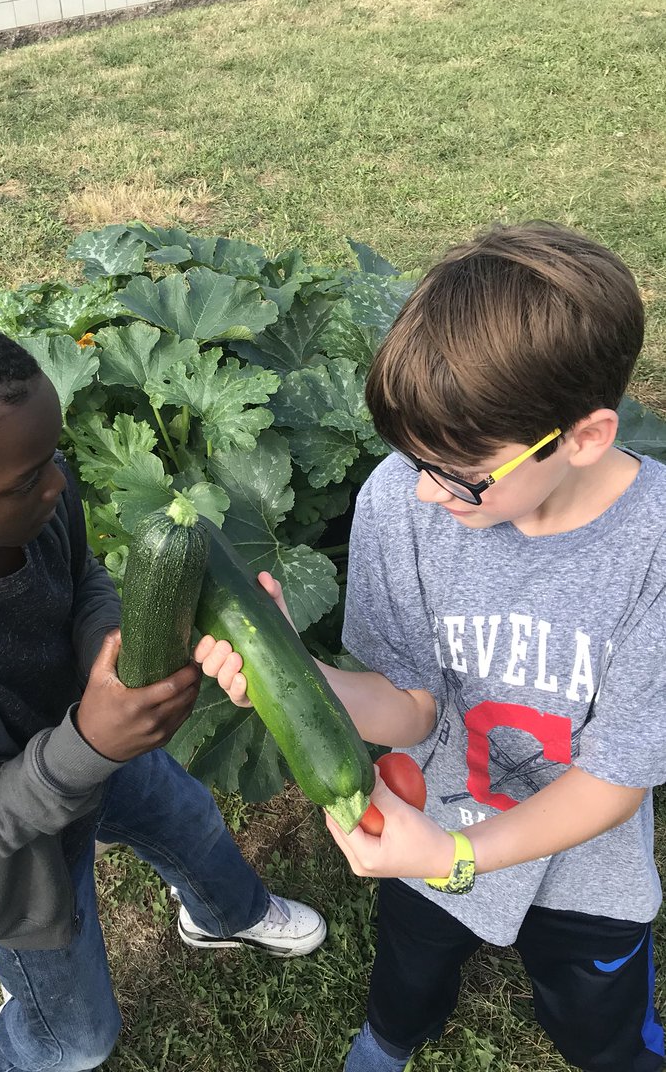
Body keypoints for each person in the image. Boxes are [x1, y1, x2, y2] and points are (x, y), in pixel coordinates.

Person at [0, 301, 326, 1072]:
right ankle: (21, 1050)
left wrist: (116, 643)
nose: (56, 483)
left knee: (193, 823)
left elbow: (83, 583)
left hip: (93, 735)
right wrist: (88, 745)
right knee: (76, 1040)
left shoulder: (31, 495)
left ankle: (225, 915)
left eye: (53, 455)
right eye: (30, 477)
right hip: (15, 858)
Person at [198, 222, 666, 1072]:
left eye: (457, 471)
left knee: (598, 1023)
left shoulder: (657, 551)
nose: (423, 488)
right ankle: (389, 1040)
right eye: (411, 456)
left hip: (584, 871)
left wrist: (460, 857)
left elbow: (614, 783)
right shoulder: (403, 499)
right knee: (410, 969)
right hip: (429, 814)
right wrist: (294, 678)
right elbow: (408, 702)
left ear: (586, 437)